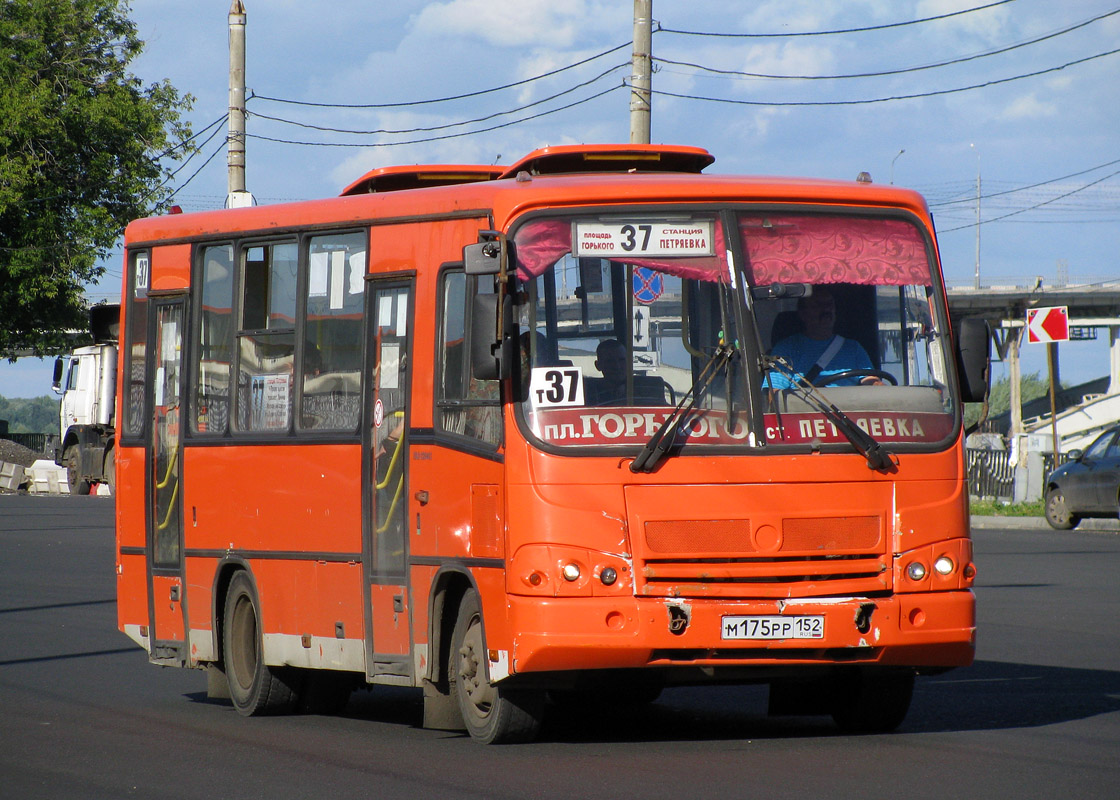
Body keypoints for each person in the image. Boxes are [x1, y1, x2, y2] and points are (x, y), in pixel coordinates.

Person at [769, 286, 878, 387]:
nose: (826, 310)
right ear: (803, 314)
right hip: (807, 408)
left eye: (830, 304)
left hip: (849, 407)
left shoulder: (853, 348)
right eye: (818, 305)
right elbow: (775, 395)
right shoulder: (786, 349)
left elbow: (872, 383)